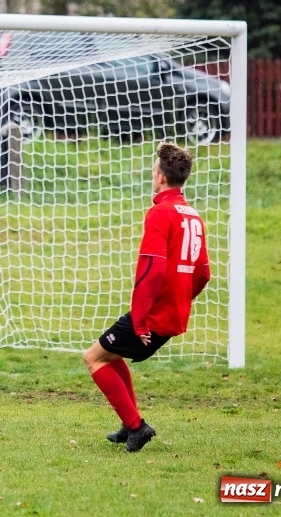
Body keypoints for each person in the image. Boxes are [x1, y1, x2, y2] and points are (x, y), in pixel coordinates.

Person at [83, 141, 211, 452]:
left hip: (152, 315)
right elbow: (203, 273)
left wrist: (140, 321)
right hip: (172, 312)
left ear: (162, 178)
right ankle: (130, 423)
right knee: (109, 354)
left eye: (154, 170)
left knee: (93, 358)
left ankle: (138, 427)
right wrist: (181, 298)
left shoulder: (160, 213)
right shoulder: (192, 215)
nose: (152, 175)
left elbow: (152, 270)